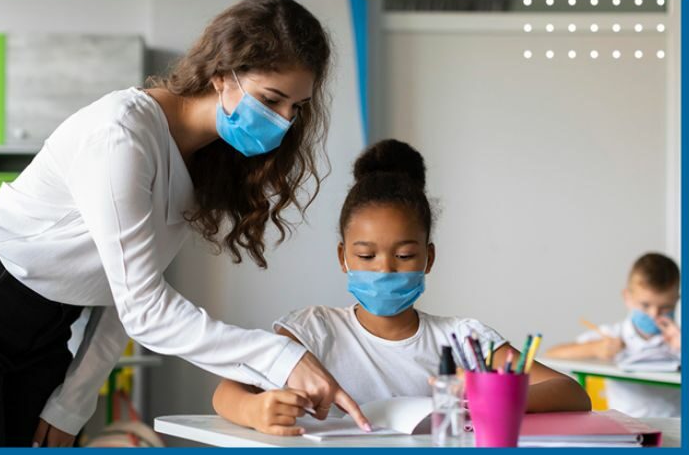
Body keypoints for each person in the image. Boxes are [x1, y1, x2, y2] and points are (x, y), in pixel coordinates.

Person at [0, 0, 370, 447]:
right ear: (223, 74)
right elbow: (145, 309)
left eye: (296, 107)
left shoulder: (201, 162)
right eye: (272, 99)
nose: (285, 121)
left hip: (44, 328)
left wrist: (70, 405)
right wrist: (281, 357)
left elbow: (125, 294)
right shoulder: (121, 134)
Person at [212, 139, 591, 435]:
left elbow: (572, 393)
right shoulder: (314, 330)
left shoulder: (464, 340)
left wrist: (490, 396)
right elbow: (226, 393)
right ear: (343, 257)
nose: (386, 269)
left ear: (429, 257)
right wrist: (254, 411)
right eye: (366, 255)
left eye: (405, 256)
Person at [546, 253, 681, 417]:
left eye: (665, 307)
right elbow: (552, 354)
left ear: (676, 300)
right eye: (645, 305)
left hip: (677, 426)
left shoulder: (680, 337)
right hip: (625, 426)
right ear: (627, 297)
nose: (654, 314)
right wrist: (595, 349)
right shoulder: (614, 334)